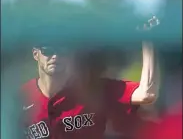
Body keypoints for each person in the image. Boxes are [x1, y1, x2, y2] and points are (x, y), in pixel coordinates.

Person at [20, 17, 160, 139]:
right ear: (35, 54)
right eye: (48, 50)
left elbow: (146, 93)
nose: (55, 55)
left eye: (62, 49)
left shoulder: (91, 89)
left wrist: (148, 39)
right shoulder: (21, 98)